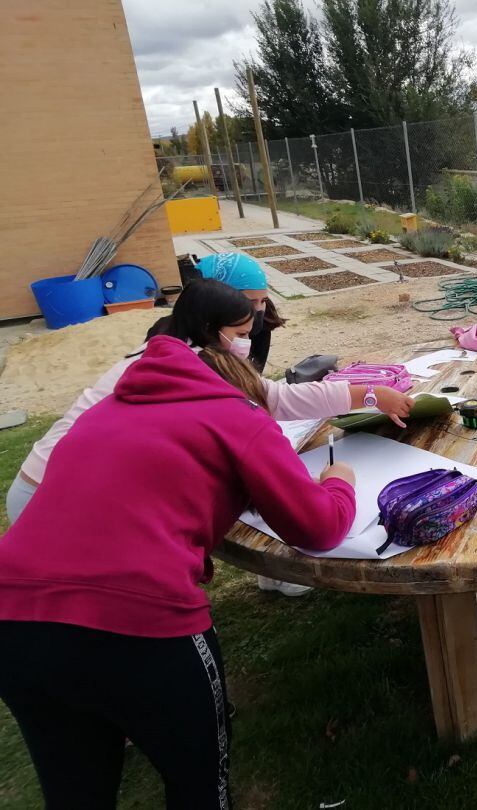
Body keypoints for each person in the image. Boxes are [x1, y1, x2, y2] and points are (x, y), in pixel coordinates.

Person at [0, 332, 357, 809]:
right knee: (198, 789)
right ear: (247, 388)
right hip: (143, 624)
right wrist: (339, 484)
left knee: (74, 791)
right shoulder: (239, 413)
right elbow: (319, 526)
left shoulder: (107, 409)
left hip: (14, 617)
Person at [5, 281, 411, 597]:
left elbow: (275, 397)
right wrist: (339, 482)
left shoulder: (177, 358)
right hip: (56, 492)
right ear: (208, 329)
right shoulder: (186, 380)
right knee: (106, 607)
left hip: (66, 488)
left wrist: (367, 394)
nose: (247, 343)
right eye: (239, 332)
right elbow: (317, 524)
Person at [148, 252, 283, 373]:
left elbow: (255, 374)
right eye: (250, 302)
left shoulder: (262, 324)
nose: (259, 310)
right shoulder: (171, 333)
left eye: (263, 300)